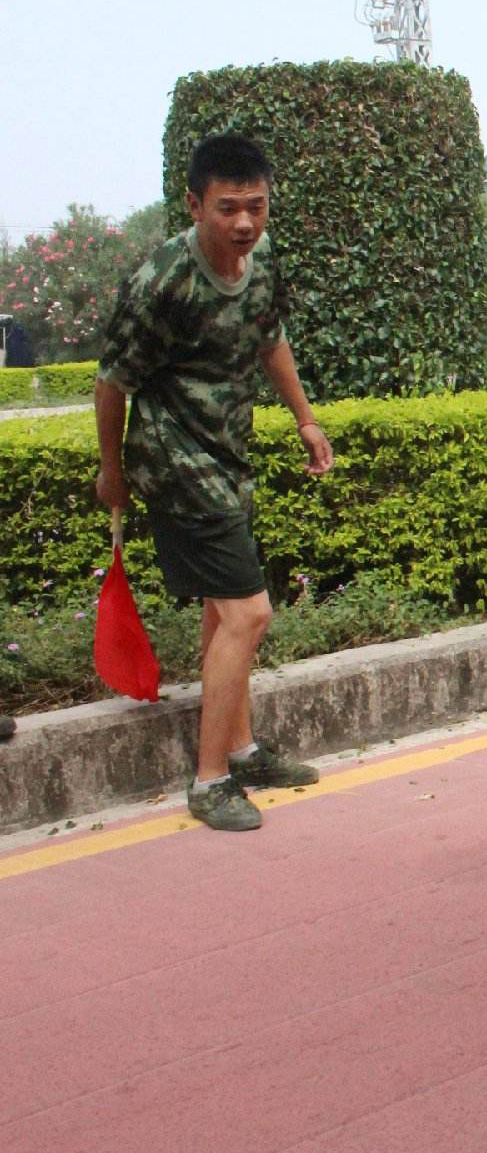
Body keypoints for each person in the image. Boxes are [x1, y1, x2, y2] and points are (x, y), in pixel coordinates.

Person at [94, 134, 332, 831]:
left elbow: (269, 338)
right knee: (248, 613)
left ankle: (244, 748)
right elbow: (112, 383)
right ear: (195, 204)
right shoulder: (162, 280)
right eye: (228, 208)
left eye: (256, 207)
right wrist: (113, 471)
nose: (244, 223)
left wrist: (305, 420)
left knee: (222, 612)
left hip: (228, 453)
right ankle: (210, 782)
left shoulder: (260, 267)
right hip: (173, 459)